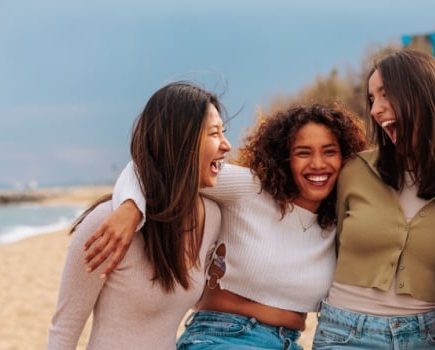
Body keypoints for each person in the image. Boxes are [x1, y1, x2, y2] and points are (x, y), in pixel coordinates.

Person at [85, 104, 368, 349]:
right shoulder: (249, 188)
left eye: (330, 152)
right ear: (284, 158)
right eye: (303, 153)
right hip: (225, 337)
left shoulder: (340, 221)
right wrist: (131, 207)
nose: (318, 164)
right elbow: (162, 166)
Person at [47, 82, 231, 350]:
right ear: (182, 141)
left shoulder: (212, 217)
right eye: (214, 134)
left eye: (223, 133)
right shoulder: (107, 223)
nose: (226, 145)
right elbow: (64, 330)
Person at [312, 49, 435, 349]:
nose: (375, 110)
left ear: (422, 94)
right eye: (371, 99)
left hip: (429, 337)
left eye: (385, 95)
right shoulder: (353, 170)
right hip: (345, 333)